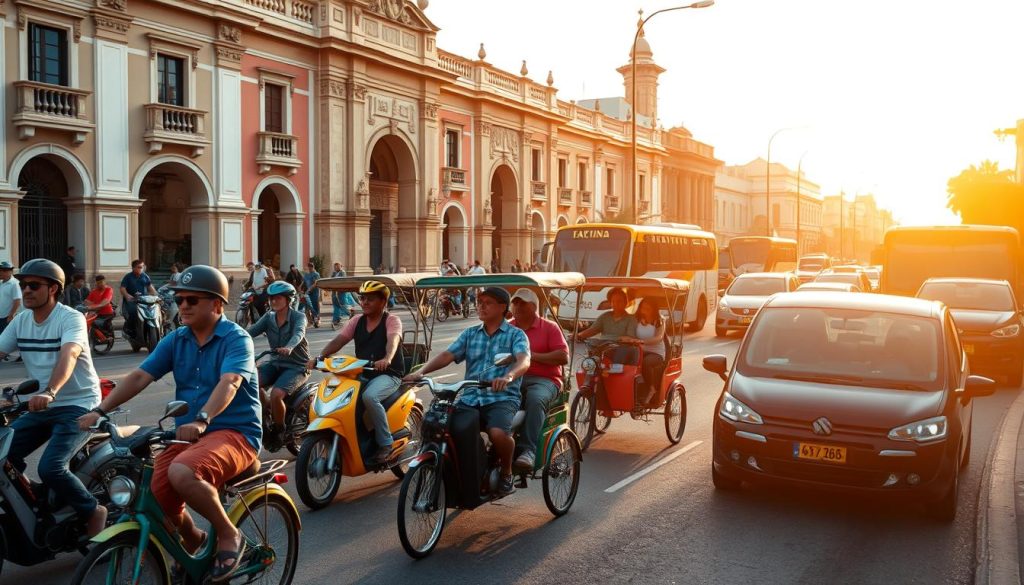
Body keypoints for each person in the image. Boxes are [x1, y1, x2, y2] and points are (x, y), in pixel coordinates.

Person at [78, 265, 260, 582]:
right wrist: (100, 409)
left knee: (182, 471)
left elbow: (230, 382)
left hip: (235, 434)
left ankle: (229, 534)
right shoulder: (177, 339)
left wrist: (204, 418)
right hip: (189, 438)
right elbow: (139, 376)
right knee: (154, 501)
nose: (184, 305)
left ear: (217, 304)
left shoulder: (236, 339)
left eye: (193, 299)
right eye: (180, 299)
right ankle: (196, 543)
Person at [0, 259, 106, 537]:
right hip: (41, 405)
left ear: (54, 289)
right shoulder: (22, 319)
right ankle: (34, 498)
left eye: (34, 285)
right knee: (3, 455)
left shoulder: (70, 318)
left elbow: (69, 354)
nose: (26, 291)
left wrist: (49, 391)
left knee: (51, 467)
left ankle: (93, 509)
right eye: (23, 286)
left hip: (78, 404)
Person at [404, 287, 530, 495]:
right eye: (479, 302)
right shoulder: (470, 334)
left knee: (497, 433)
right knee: (441, 426)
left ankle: (507, 473)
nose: (481, 306)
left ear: (502, 307)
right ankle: (467, 470)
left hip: (501, 398)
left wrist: (508, 377)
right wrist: (422, 372)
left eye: (487, 302)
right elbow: (447, 355)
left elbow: (523, 360)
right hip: (470, 397)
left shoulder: (516, 335)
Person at [310, 280, 404, 465]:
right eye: (362, 298)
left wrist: (386, 359)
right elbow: (340, 340)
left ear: (383, 301)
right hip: (363, 372)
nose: (365, 303)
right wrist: (320, 357)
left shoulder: (392, 320)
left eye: (370, 299)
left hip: (388, 374)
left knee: (369, 397)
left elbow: (392, 341)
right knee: (342, 397)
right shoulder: (356, 320)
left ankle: (386, 443)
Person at [508, 288, 568, 473]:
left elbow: (563, 356)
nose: (518, 306)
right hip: (514, 377)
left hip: (544, 379)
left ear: (534, 306)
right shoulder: (508, 327)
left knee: (535, 399)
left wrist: (530, 357)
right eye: (516, 302)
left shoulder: (549, 327)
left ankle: (528, 450)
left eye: (523, 303)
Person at [247, 281, 309, 450]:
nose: (273, 302)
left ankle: (280, 430)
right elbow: (249, 332)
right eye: (271, 298)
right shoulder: (269, 317)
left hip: (297, 366)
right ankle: (266, 413)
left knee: (276, 394)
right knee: (250, 381)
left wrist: (289, 347)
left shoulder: (299, 317)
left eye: (278, 298)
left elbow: (299, 333)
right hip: (275, 362)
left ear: (289, 300)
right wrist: (229, 336)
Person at [619, 298, 667, 409]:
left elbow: (659, 338)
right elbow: (630, 333)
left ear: (653, 309)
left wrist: (642, 341)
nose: (644, 310)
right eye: (643, 307)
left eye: (647, 308)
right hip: (638, 350)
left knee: (646, 362)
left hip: (656, 352)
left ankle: (651, 388)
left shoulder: (659, 320)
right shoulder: (636, 319)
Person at [120, 259, 156, 339]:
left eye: (142, 267)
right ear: (133, 268)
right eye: (139, 267)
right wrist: (127, 296)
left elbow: (151, 288)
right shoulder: (128, 277)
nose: (141, 269)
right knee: (133, 312)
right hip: (132, 301)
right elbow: (122, 288)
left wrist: (156, 295)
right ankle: (129, 329)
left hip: (143, 300)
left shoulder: (145, 276)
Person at [0, 261, 22, 335]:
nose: (0, 273)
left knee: (5, 337)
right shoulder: (1, 283)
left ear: (10, 271)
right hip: (1, 315)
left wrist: (11, 315)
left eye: (2, 271)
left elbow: (17, 300)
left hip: (6, 317)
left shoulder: (14, 284)